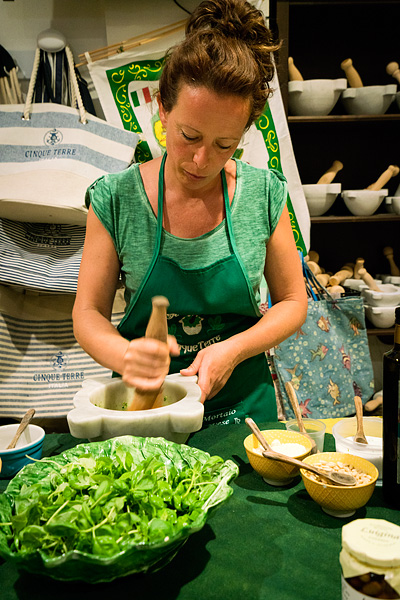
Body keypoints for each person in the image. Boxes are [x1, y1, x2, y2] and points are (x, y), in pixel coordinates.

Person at [72, 0, 308, 426]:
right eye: (189, 136)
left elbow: (293, 301)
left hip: (244, 411)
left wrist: (232, 349)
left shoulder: (263, 194)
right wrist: (126, 354)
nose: (201, 161)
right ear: (162, 107)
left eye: (224, 145)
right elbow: (88, 314)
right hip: (146, 409)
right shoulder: (115, 198)